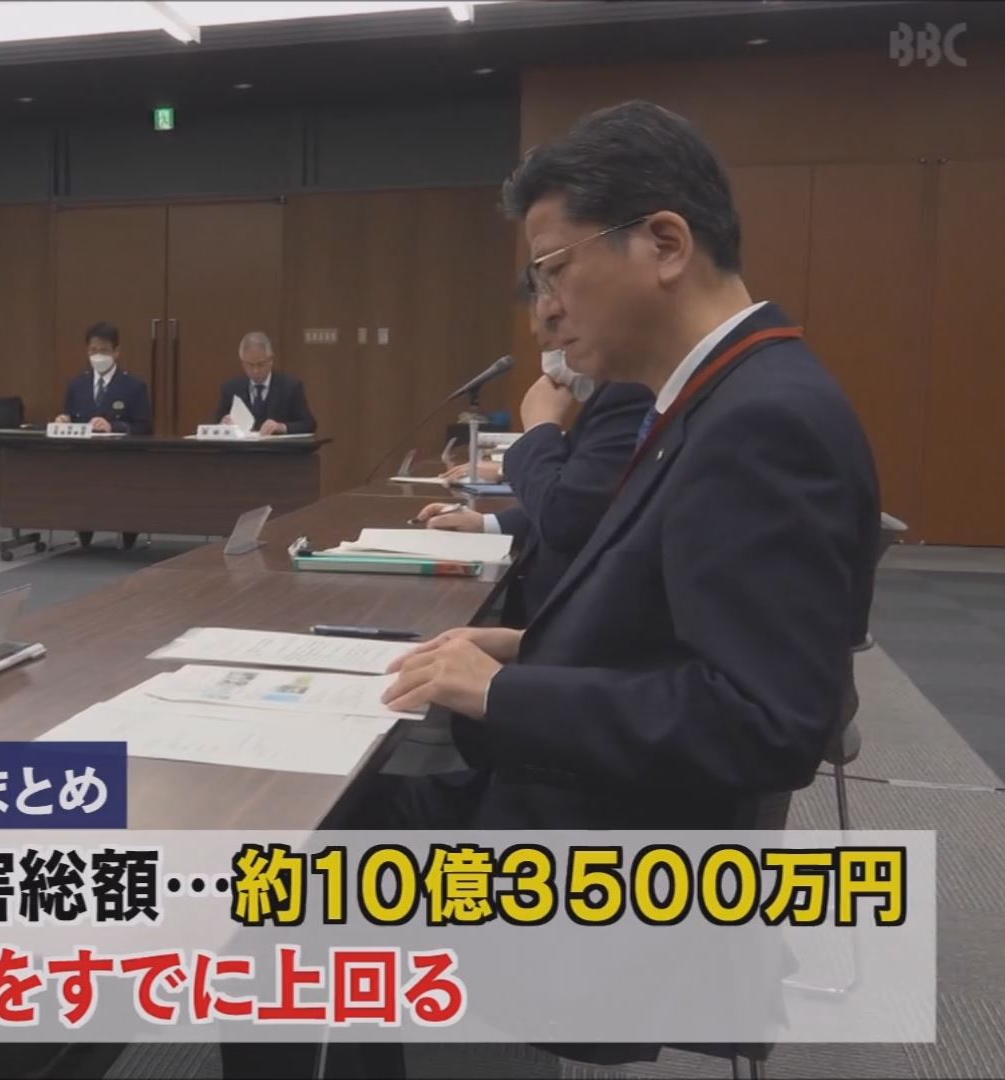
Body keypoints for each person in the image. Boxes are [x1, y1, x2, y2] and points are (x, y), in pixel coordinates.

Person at [357, 101, 881, 1071]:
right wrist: (528, 648)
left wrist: (506, 693)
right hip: (603, 816)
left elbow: (766, 720)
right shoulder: (719, 397)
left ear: (665, 244)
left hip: (610, 876)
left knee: (292, 855)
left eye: (554, 270)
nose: (544, 310)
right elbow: (683, 631)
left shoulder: (762, 422)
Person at [416, 301, 652, 624]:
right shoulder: (611, 392)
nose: (553, 353)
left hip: (573, 621)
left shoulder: (630, 392)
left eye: (557, 333)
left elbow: (566, 515)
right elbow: (589, 500)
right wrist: (487, 524)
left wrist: (540, 426)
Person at [54, 321, 152, 550]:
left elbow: (144, 426)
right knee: (80, 484)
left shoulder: (133, 385)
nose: (98, 356)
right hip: (83, 458)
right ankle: (84, 533)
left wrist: (113, 426)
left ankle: (128, 535)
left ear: (116, 352)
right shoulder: (77, 384)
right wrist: (63, 420)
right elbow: (71, 416)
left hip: (121, 460)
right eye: (93, 350)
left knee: (122, 489)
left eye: (104, 350)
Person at [210, 331, 316, 435]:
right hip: (243, 446)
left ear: (270, 360)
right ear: (242, 363)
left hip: (277, 446)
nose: (255, 370)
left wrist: (281, 427)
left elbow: (309, 424)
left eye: (260, 364)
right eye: (250, 365)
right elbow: (214, 425)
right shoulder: (231, 388)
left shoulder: (290, 387)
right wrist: (223, 426)